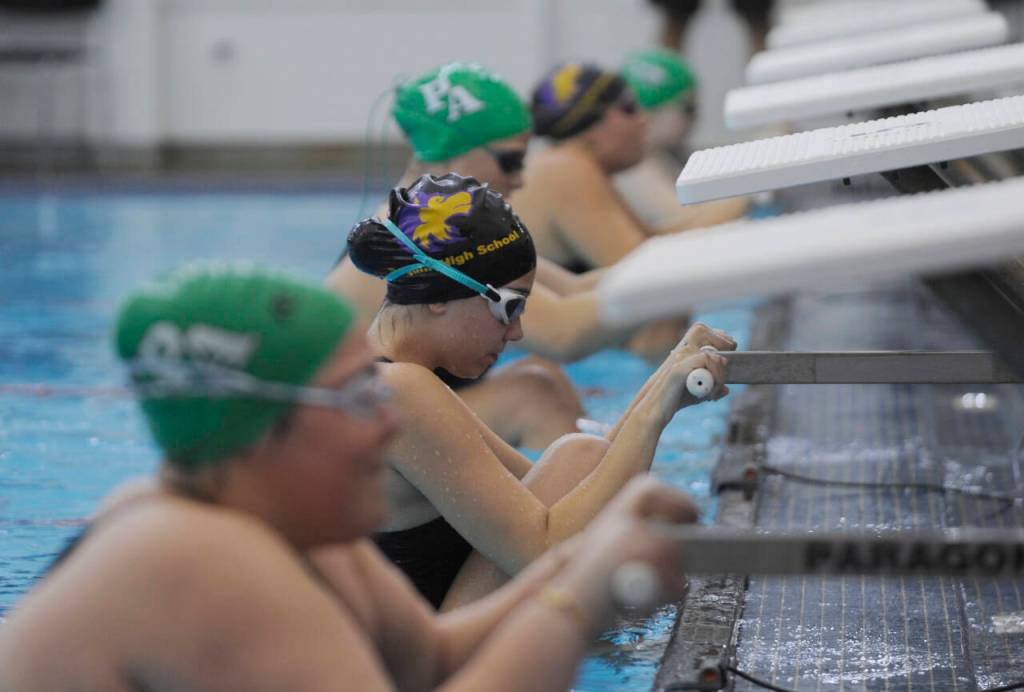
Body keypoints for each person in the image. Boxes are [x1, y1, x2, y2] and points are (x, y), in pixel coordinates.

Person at [0, 264, 702, 691]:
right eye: (358, 400)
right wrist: (576, 599)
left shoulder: (300, 530)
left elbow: (434, 659)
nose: (388, 425)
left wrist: (583, 563)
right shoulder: (186, 552)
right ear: (263, 432)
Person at [347, 172, 734, 609]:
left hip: (444, 631)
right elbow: (544, 551)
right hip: (443, 662)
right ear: (439, 294)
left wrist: (663, 385)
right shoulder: (400, 389)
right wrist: (653, 413)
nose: (517, 332)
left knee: (578, 453)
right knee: (576, 455)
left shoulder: (393, 377)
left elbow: (584, 480)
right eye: (509, 307)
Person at [511, 61, 745, 275]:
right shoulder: (564, 169)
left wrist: (751, 191)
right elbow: (644, 273)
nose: (642, 119)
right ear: (592, 125)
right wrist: (748, 198)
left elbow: (654, 241)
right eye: (629, 107)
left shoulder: (571, 164)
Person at [615, 49, 749, 231]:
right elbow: (688, 224)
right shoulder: (633, 168)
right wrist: (755, 188)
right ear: (651, 113)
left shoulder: (662, 154)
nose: (696, 117)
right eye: (689, 108)